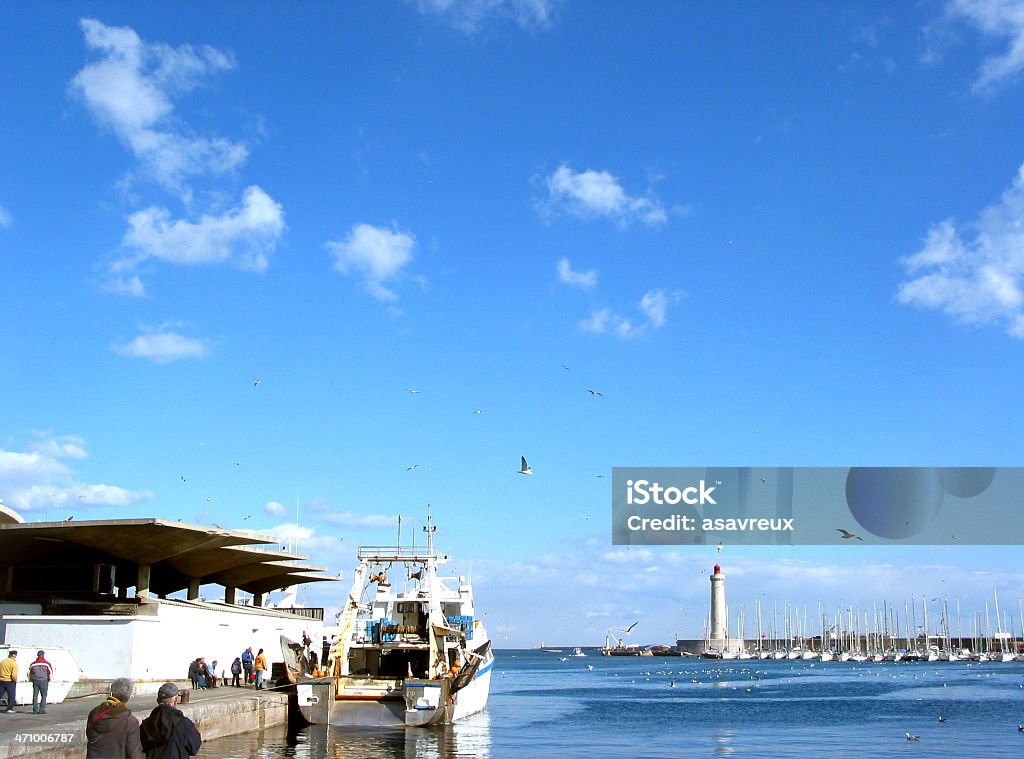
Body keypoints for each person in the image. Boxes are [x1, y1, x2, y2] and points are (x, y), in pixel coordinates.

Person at [86, 677, 143, 759]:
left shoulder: (94, 713)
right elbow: (134, 753)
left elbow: (89, 735)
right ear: (130, 697)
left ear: (111, 693)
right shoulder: (130, 722)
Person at [140, 682, 201, 759]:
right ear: (175, 701)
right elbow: (194, 748)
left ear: (158, 700)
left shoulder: (146, 724)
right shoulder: (184, 723)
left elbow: (141, 747)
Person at [29, 650, 53, 714]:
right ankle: (42, 709)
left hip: (35, 681)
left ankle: (35, 710)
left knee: (35, 695)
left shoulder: (33, 664)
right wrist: (49, 679)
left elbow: (29, 673)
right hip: (44, 680)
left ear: (38, 655)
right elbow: (50, 673)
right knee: (44, 695)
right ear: (43, 655)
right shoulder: (47, 663)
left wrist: (32, 679)